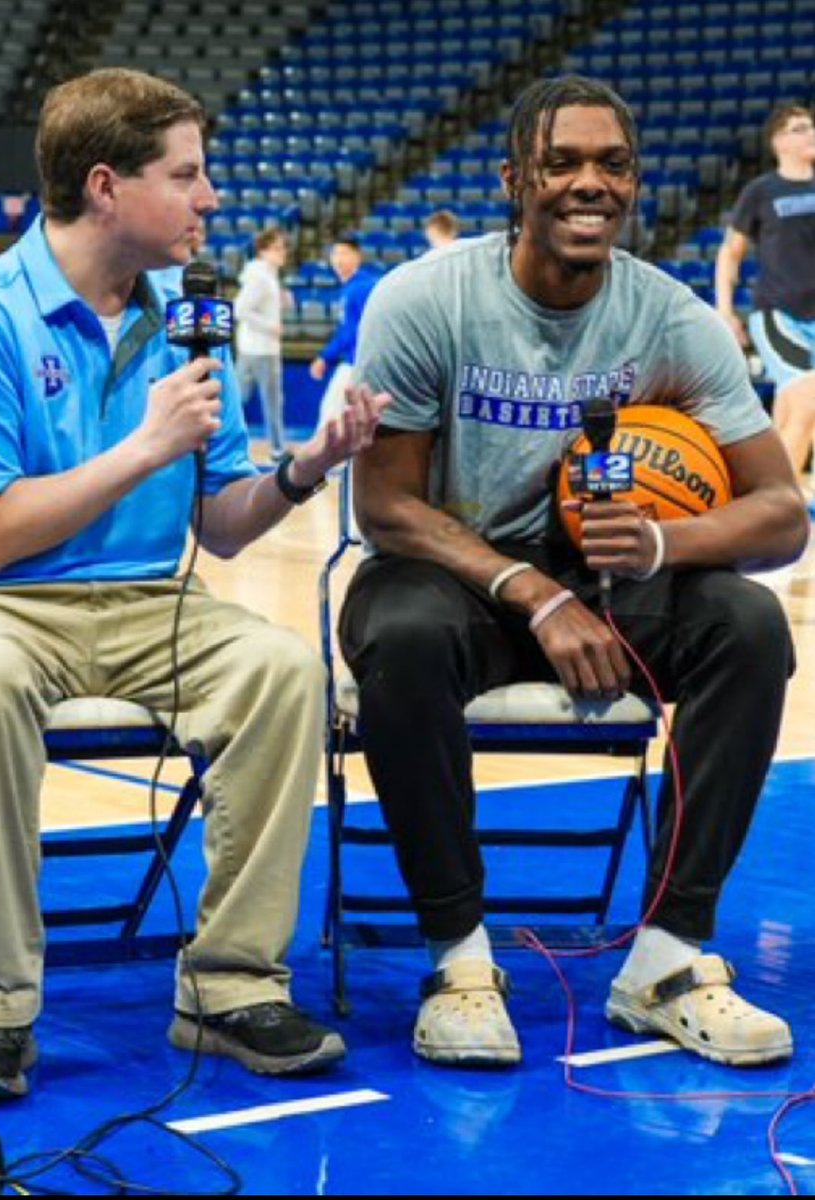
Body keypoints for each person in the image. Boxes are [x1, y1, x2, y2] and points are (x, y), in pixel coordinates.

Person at [0, 67, 390, 1100]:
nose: (211, 197)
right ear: (104, 187)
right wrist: (145, 447)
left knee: (281, 672)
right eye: (188, 174)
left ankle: (228, 985)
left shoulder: (189, 312)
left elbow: (219, 527)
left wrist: (307, 467)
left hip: (149, 601)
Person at [341, 74, 808, 1071]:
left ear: (635, 184)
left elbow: (782, 512)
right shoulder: (426, 301)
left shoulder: (671, 319)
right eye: (563, 163)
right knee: (402, 633)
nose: (590, 183)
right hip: (461, 581)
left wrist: (661, 545)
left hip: (615, 589)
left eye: (613, 164)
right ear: (515, 179)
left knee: (750, 625)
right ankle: (460, 962)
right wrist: (534, 592)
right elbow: (385, 507)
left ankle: (668, 960)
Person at [716, 103, 815, 496]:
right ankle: (781, 507)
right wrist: (725, 312)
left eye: (811, 126)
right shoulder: (762, 190)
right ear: (778, 141)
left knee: (791, 411)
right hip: (779, 314)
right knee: (808, 400)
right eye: (799, 128)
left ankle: (757, 494)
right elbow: (730, 253)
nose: (810, 133)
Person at [309, 234, 382, 430]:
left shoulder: (359, 288)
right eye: (335, 254)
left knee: (331, 415)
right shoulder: (356, 286)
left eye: (344, 253)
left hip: (358, 363)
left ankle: (326, 460)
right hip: (364, 362)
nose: (338, 259)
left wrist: (325, 357)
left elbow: (352, 331)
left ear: (357, 257)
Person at [234, 227, 292, 462]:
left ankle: (217, 444)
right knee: (271, 402)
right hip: (262, 349)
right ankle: (278, 450)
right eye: (277, 248)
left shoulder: (265, 274)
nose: (283, 253)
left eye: (283, 248)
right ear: (263, 251)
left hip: (253, 347)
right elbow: (240, 309)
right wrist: (270, 326)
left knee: (238, 399)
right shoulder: (260, 276)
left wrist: (281, 300)